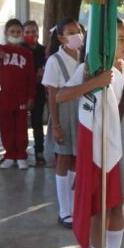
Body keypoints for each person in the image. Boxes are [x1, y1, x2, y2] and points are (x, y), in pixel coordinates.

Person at [57, 18, 124, 248]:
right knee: (100, 206)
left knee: (118, 205)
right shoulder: (90, 68)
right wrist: (95, 82)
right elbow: (63, 95)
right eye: (118, 39)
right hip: (100, 140)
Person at [42, 19, 84, 229]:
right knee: (64, 160)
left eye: (78, 31)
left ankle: (75, 207)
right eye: (71, 32)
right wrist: (56, 124)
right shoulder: (55, 61)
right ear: (61, 38)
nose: (77, 35)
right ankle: (64, 210)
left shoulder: (83, 57)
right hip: (63, 113)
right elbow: (51, 94)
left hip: (81, 113)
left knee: (77, 160)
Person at [0, 19, 35, 169]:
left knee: (20, 126)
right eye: (12, 31)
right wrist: (0, 51)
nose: (16, 34)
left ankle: (21, 156)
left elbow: (31, 77)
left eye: (18, 32)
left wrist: (31, 96)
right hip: (5, 96)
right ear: (6, 33)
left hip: (22, 96)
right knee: (6, 126)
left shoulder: (27, 53)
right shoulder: (2, 49)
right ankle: (10, 155)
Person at [21, 20, 47, 166]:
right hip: (22, 91)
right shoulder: (19, 49)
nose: (31, 35)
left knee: (37, 122)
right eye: (28, 32)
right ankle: (18, 152)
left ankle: (39, 152)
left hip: (39, 91)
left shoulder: (43, 50)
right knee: (20, 122)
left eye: (34, 31)